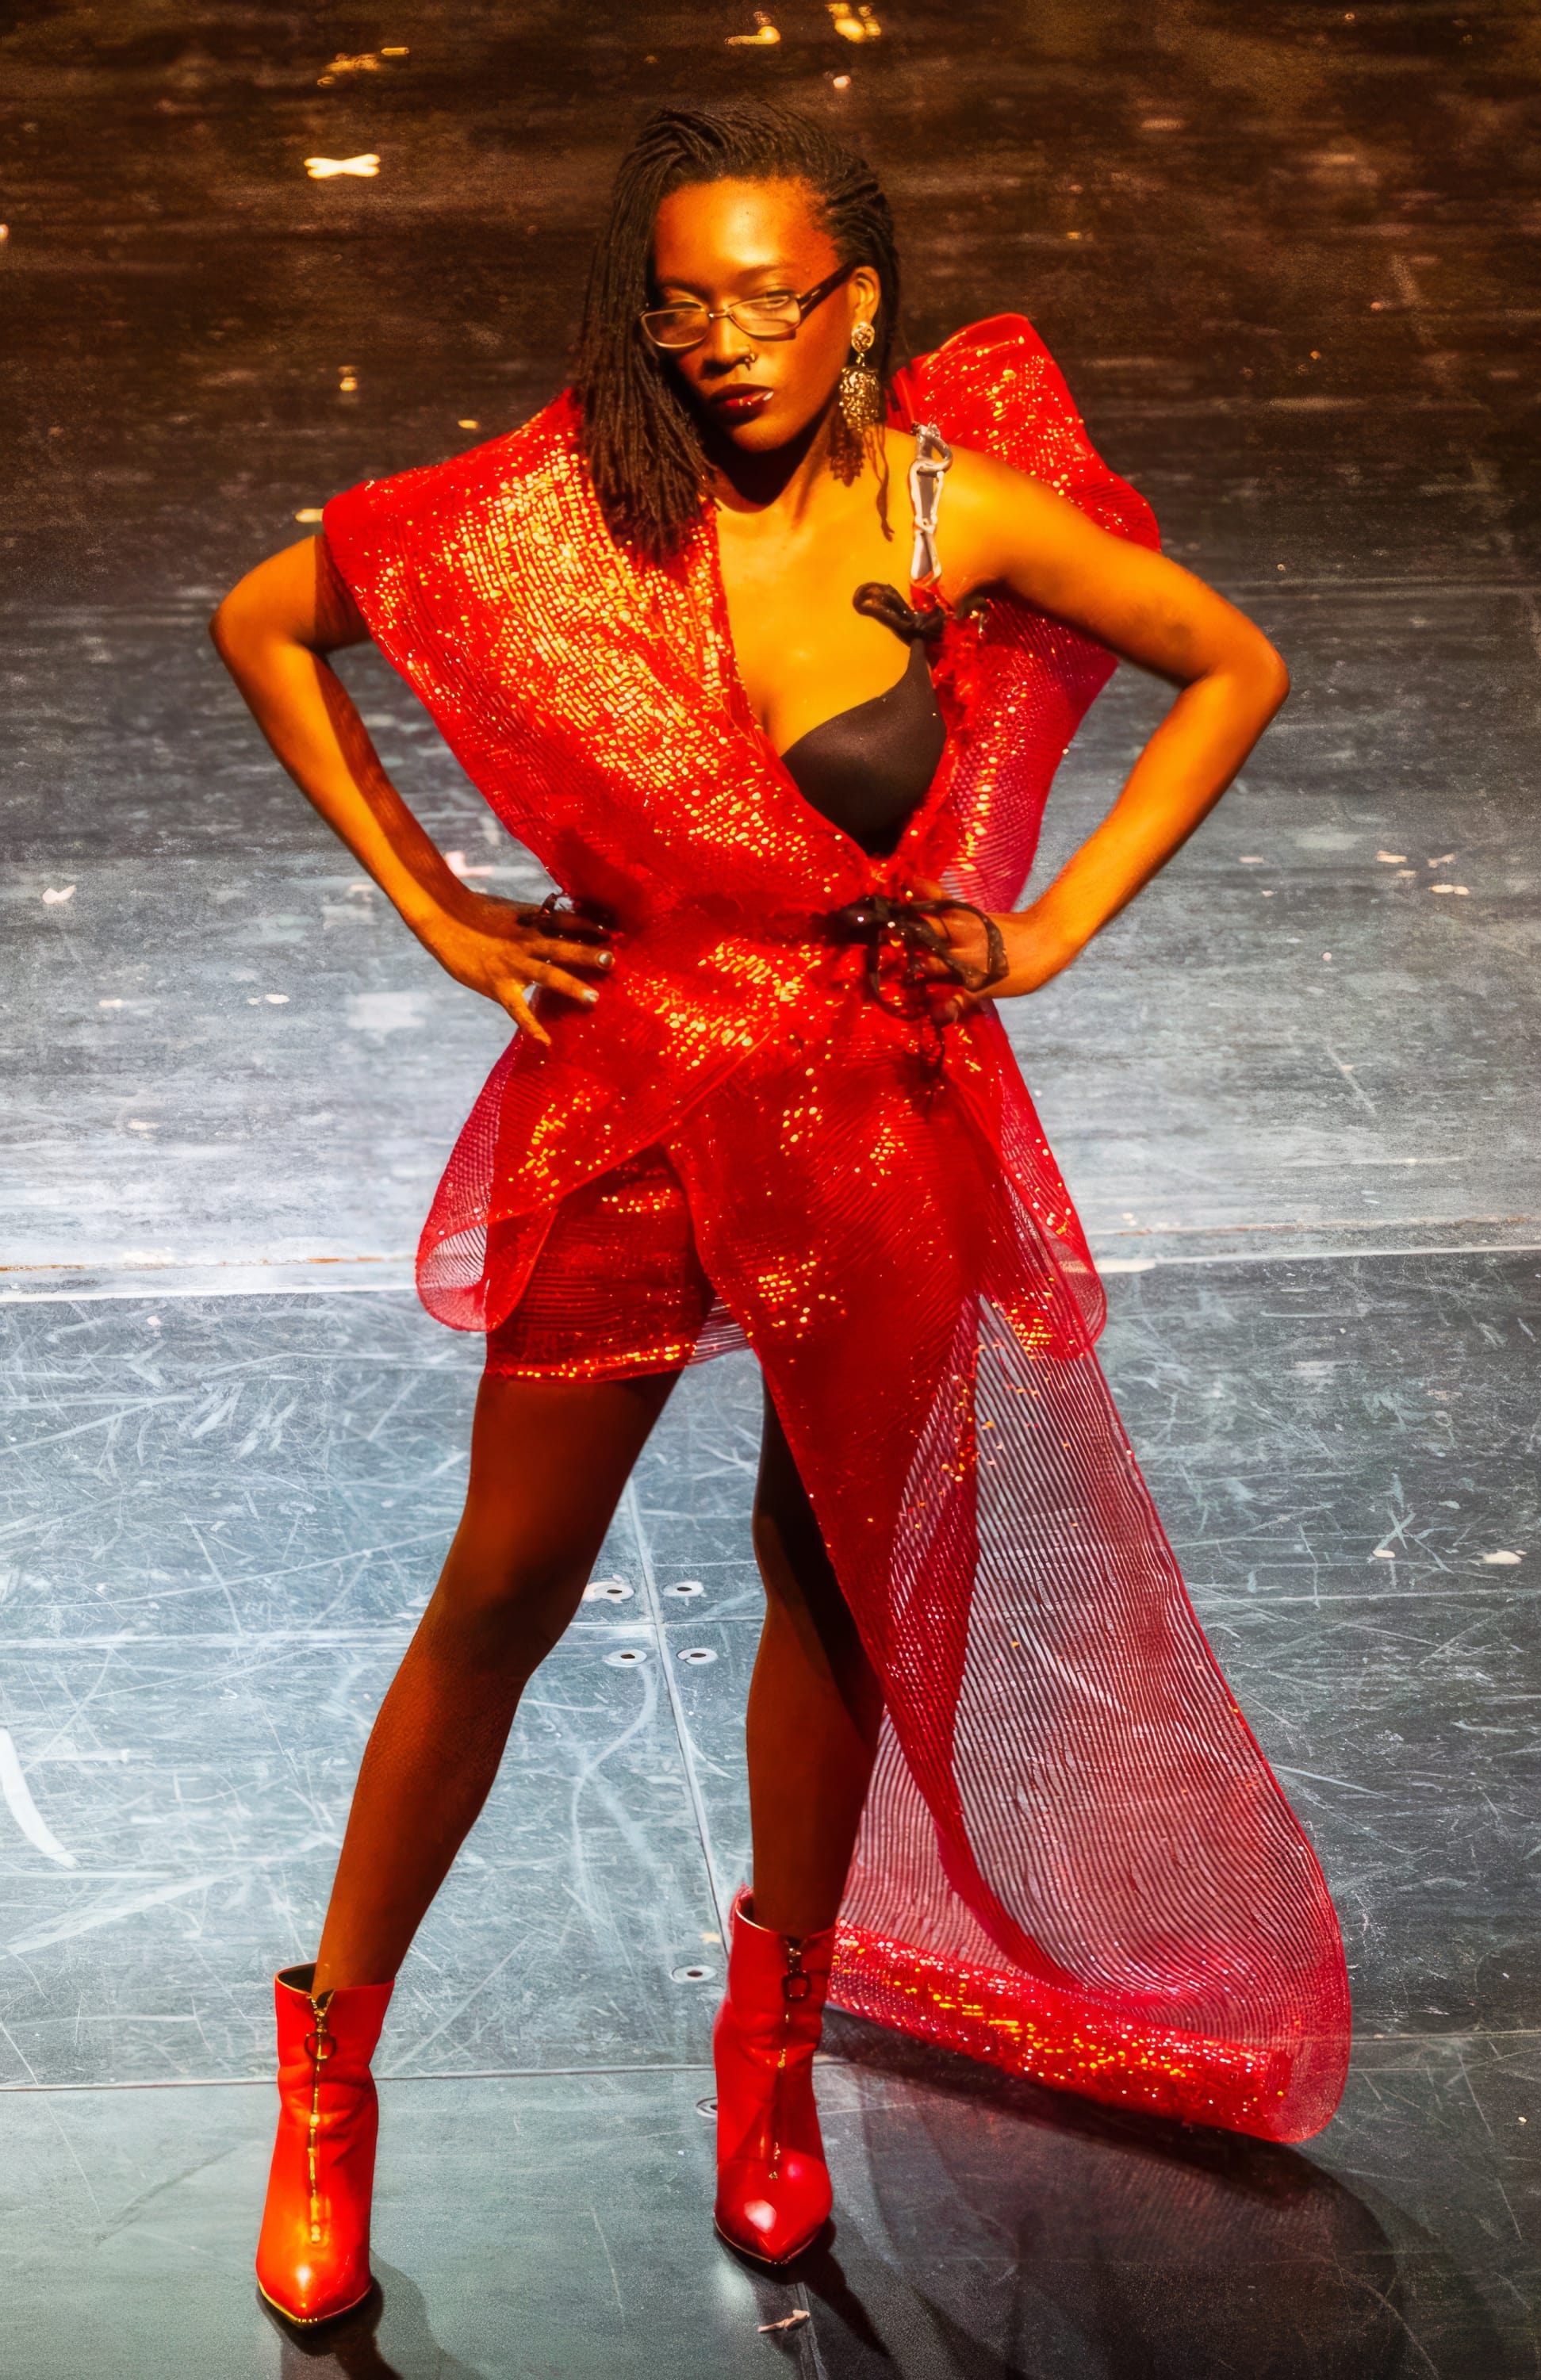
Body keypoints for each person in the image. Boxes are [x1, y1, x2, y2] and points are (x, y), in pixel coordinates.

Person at [210, 98, 1349, 2330]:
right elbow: (268, 618)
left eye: (762, 302)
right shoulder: (562, 511)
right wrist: (444, 913)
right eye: (680, 310)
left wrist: (1046, 932)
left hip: (866, 1114)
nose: (720, 344)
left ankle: (773, 2062)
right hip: (637, 1098)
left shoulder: (951, 510)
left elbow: (1235, 664)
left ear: (858, 306)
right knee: (507, 1586)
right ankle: (330, 2071)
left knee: (834, 1584)